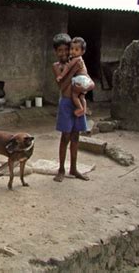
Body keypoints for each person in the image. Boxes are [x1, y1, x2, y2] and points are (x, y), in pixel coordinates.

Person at [52, 33, 95, 183]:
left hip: (78, 102)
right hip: (66, 103)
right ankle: (61, 169)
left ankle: (74, 168)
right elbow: (62, 86)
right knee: (65, 137)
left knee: (76, 136)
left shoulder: (78, 63)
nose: (64, 53)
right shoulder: (57, 66)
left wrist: (87, 87)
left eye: (67, 49)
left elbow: (88, 81)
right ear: (56, 52)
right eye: (60, 50)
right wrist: (73, 72)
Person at [56, 37, 93, 117]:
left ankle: (80, 108)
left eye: (76, 50)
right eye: (72, 49)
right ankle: (84, 109)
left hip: (81, 80)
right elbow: (62, 87)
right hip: (84, 80)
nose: (72, 52)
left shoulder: (76, 60)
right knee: (82, 97)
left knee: (75, 95)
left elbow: (68, 67)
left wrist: (61, 75)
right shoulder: (57, 66)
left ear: (82, 51)